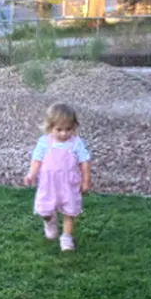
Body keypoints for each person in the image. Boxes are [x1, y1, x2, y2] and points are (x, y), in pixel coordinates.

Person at [23, 103, 91, 251]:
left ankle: (66, 237)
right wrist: (31, 174)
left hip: (69, 184)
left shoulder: (76, 144)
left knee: (69, 211)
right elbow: (37, 160)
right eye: (59, 130)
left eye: (68, 129)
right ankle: (49, 222)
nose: (64, 134)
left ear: (74, 127)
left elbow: (84, 163)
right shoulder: (44, 142)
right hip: (48, 185)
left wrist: (85, 181)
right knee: (44, 210)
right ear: (49, 127)